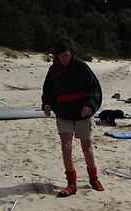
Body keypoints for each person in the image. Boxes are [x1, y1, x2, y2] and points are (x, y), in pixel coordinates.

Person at [41, 37, 104, 197]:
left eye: (66, 55)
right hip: (63, 113)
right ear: (56, 56)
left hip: (83, 113)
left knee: (87, 147)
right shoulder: (53, 70)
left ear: (71, 53)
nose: (63, 59)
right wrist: (47, 104)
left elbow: (94, 89)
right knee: (66, 147)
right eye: (60, 56)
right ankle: (71, 183)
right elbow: (47, 91)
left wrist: (89, 106)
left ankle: (93, 178)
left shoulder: (82, 67)